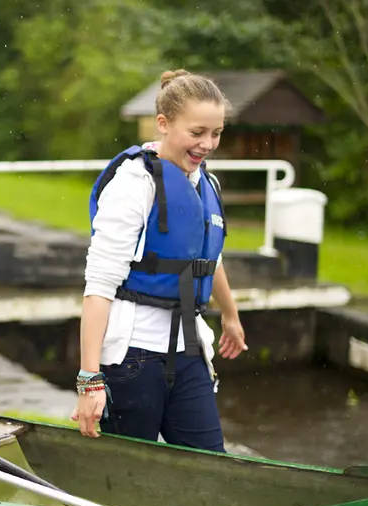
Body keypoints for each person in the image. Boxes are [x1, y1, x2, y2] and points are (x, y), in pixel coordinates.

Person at [71, 69, 248, 453]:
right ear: (164, 124)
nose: (208, 144)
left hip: (189, 352)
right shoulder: (134, 184)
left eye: (216, 133)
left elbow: (206, 258)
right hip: (132, 359)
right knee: (126, 482)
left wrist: (230, 316)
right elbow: (99, 286)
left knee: (208, 470)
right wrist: (90, 380)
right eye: (197, 132)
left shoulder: (207, 183)